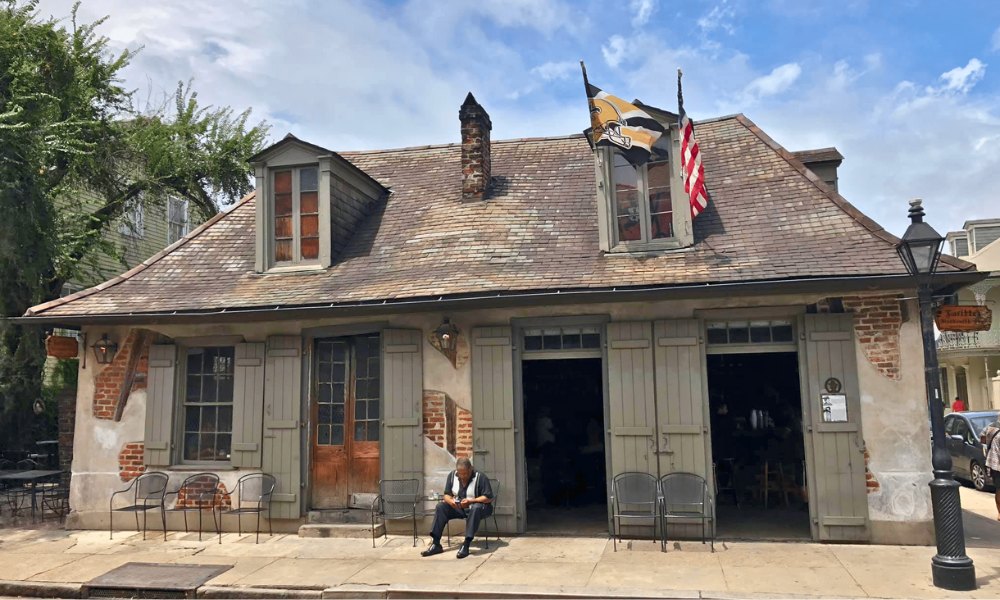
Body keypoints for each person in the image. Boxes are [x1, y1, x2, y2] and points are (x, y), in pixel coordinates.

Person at [421, 457, 494, 559]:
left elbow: (488, 498)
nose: (463, 476)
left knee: (476, 508)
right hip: (459, 508)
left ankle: (466, 544)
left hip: (479, 509)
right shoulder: (452, 476)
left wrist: (471, 501)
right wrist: (451, 501)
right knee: (441, 507)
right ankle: (436, 543)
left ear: (471, 469)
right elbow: (446, 494)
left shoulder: (480, 477)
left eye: (465, 473)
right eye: (460, 473)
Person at [980, 418, 1000, 521]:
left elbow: (982, 439)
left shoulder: (990, 427)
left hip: (994, 463)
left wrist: (989, 444)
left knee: (999, 489)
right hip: (996, 463)